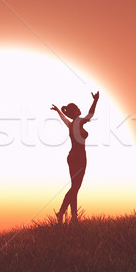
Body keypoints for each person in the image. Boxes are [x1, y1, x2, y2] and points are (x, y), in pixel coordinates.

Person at [51, 91, 99, 223]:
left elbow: (64, 119)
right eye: (77, 108)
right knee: (75, 187)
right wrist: (95, 100)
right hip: (79, 157)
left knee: (75, 187)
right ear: (74, 112)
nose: (79, 109)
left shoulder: (71, 123)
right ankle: (62, 213)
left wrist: (58, 112)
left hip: (72, 157)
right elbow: (91, 114)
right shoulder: (77, 121)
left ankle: (74, 217)